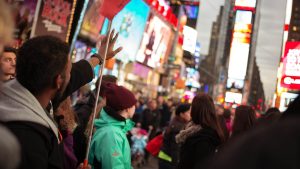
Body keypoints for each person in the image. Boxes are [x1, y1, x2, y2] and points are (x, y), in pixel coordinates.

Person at [0, 32, 121, 169]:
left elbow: (77, 73)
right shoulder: (29, 139)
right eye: (69, 71)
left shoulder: (27, 91)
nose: (72, 74)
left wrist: (99, 57)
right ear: (58, 81)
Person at [208, 95, 300, 169]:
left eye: (235, 117)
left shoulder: (239, 142)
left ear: (238, 120)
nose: (232, 119)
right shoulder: (257, 138)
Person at [88, 82, 137, 169]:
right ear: (127, 108)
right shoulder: (111, 135)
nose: (135, 107)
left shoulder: (115, 130)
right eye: (134, 104)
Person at [176, 94, 225, 169]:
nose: (190, 109)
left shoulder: (204, 137)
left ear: (196, 109)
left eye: (192, 106)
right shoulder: (196, 129)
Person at [158, 104, 191, 169]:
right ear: (181, 114)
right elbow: (176, 149)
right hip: (169, 161)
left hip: (165, 159)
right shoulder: (178, 128)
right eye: (189, 112)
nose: (191, 114)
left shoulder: (176, 122)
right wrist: (177, 165)